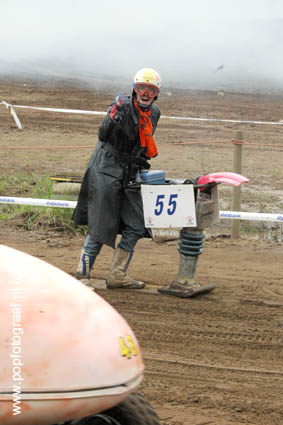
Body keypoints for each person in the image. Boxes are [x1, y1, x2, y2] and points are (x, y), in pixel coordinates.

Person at [72, 68, 161, 289]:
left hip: (130, 172)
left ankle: (117, 275)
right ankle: (82, 275)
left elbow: (141, 145)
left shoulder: (155, 113)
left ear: (156, 93)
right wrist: (112, 117)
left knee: (137, 223)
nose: (146, 93)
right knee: (102, 222)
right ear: (134, 89)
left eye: (151, 89)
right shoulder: (121, 106)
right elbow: (103, 135)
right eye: (142, 88)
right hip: (106, 169)